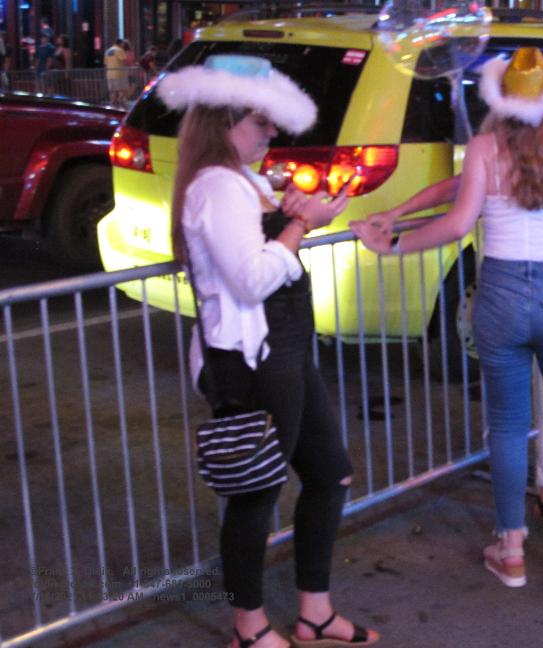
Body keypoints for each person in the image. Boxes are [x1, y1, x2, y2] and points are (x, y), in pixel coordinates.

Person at [353, 47, 543, 586]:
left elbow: (456, 224)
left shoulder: (485, 150)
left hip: (501, 298)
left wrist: (392, 243)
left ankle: (510, 549)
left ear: (502, 101)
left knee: (509, 424)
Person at [159, 53, 380, 647]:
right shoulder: (217, 186)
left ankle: (314, 613)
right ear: (225, 120)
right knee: (256, 493)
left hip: (281, 350)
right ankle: (249, 628)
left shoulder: (241, 181)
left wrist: (306, 216)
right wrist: (299, 227)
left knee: (330, 473)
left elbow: (264, 255)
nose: (272, 131)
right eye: (261, 121)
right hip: (251, 359)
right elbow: (252, 278)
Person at [104, 38, 127, 107]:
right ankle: (120, 103)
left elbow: (105, 63)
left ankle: (113, 105)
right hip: (119, 73)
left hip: (109, 74)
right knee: (122, 90)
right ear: (120, 43)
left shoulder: (108, 51)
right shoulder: (119, 50)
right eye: (123, 44)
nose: (123, 45)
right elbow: (123, 60)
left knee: (112, 91)